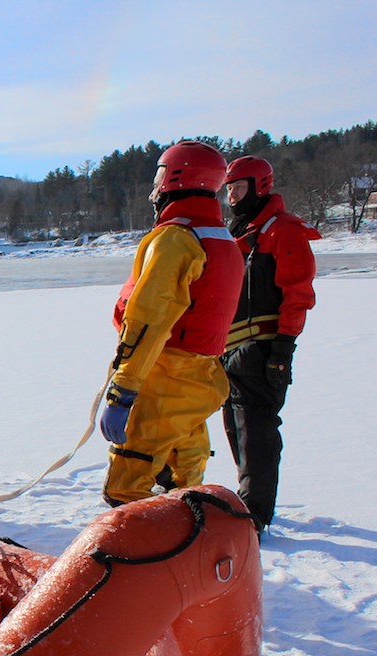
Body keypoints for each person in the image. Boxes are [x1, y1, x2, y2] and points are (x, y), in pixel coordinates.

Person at [99, 141, 245, 506]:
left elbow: (148, 320)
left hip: (165, 379)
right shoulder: (223, 240)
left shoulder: (176, 239)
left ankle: (138, 543)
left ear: (175, 179)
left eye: (158, 180)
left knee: (127, 486)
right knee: (185, 481)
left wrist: (123, 390)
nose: (154, 192)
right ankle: (193, 538)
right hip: (201, 381)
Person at [221, 156, 320, 532]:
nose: (232, 195)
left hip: (262, 351)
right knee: (235, 429)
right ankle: (248, 501)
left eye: (239, 187)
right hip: (229, 352)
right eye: (229, 188)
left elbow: (298, 294)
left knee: (256, 432)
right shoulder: (239, 233)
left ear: (260, 186)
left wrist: (282, 351)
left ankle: (255, 515)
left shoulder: (282, 231)